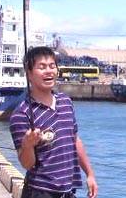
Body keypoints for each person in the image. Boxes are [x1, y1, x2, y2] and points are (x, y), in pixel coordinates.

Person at [10, 46, 98, 198]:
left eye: (52, 66)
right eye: (42, 67)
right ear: (29, 72)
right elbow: (27, 164)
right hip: (39, 192)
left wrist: (89, 174)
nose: (48, 71)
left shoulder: (66, 102)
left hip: (68, 191)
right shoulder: (21, 114)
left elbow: (74, 139)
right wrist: (27, 145)